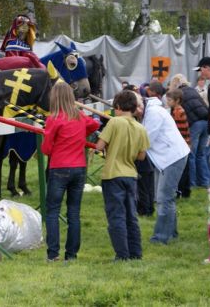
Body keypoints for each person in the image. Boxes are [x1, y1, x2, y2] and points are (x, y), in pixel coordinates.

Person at [41, 82, 101, 263]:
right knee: (74, 213)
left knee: (52, 212)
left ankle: (53, 254)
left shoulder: (53, 119)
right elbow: (95, 125)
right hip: (79, 168)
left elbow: (46, 149)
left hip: (59, 168)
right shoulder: (80, 116)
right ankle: (72, 255)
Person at [94, 90, 149, 261]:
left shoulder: (114, 122)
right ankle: (136, 253)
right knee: (131, 216)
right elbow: (142, 156)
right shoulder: (140, 127)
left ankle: (122, 255)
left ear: (117, 107)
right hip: (131, 175)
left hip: (112, 175)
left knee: (116, 216)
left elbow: (99, 146)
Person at [142, 82, 190, 244]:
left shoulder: (153, 114)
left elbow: (146, 141)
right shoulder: (150, 111)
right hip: (166, 158)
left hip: (173, 157)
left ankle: (161, 237)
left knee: (164, 198)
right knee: (165, 197)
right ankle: (171, 232)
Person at [169, 74, 210, 188]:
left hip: (195, 124)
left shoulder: (178, 94)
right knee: (201, 154)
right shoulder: (192, 90)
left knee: (191, 154)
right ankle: (205, 181)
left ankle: (192, 183)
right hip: (206, 121)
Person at [165, 89, 191, 198]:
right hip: (184, 142)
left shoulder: (178, 112)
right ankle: (184, 191)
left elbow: (179, 130)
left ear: (177, 100)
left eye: (170, 100)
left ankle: (181, 191)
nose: (168, 102)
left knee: (183, 170)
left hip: (182, 143)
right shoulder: (176, 110)